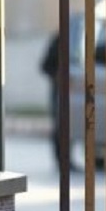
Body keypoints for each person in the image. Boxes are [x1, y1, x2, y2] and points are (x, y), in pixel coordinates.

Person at [40, 32, 60, 166]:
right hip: (61, 91)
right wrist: (58, 76)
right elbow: (45, 66)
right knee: (61, 126)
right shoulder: (59, 40)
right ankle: (62, 160)